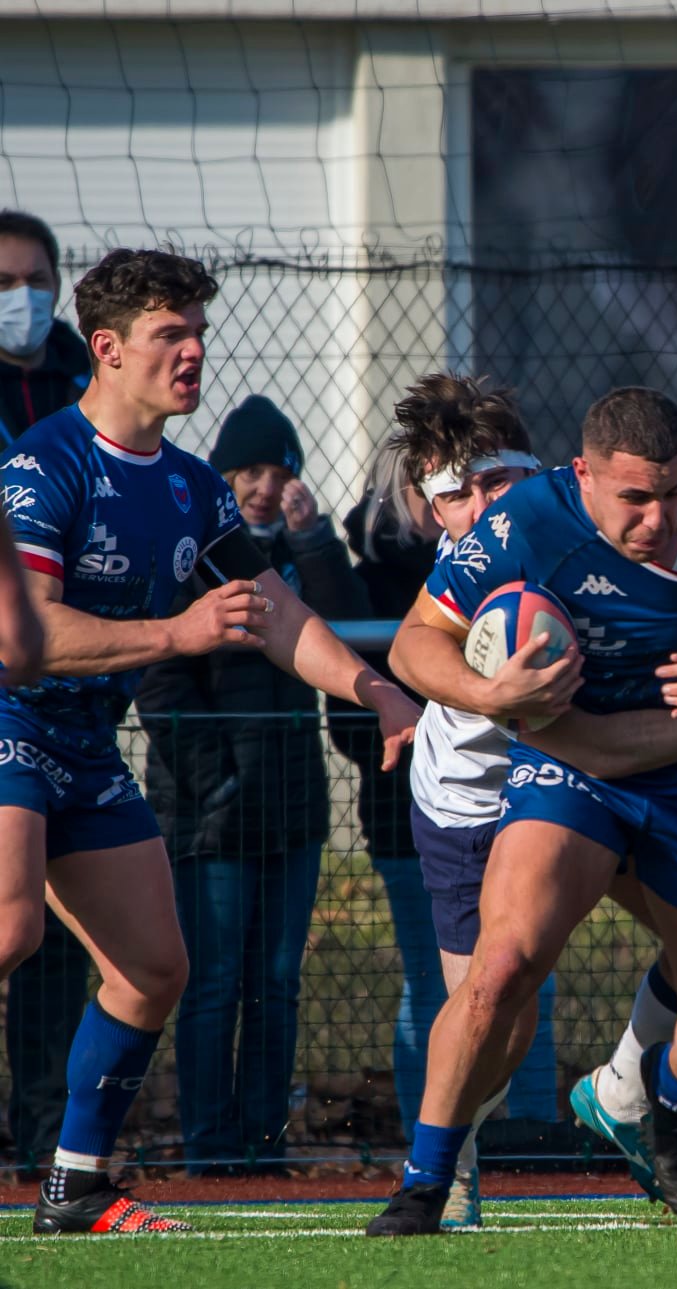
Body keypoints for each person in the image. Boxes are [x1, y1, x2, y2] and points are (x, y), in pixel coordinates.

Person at [4, 248, 421, 1236]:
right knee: (11, 930)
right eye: (169, 335)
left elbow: (273, 610)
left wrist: (376, 689)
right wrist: (176, 633)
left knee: (154, 969)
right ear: (105, 349)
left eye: (198, 333)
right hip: (12, 719)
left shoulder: (193, 487)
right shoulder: (42, 465)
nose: (193, 353)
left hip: (84, 740)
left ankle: (75, 1185)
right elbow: (30, 637)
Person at [364, 386, 677, 1235]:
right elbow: (412, 642)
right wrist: (489, 690)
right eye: (635, 498)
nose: (659, 516)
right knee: (501, 966)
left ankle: (665, 1099)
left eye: (672, 492)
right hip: (574, 762)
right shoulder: (530, 522)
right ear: (584, 475)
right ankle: (425, 1180)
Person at [136, 395, 368, 1175]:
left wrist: (315, 541)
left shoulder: (299, 558)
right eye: (250, 472)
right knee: (214, 983)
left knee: (276, 981)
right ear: (225, 475)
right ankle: (210, 1146)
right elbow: (161, 683)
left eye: (280, 472)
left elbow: (347, 637)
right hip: (214, 815)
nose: (266, 487)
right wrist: (218, 785)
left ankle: (265, 1141)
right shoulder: (191, 551)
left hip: (292, 807)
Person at [357, 375, 565, 1226]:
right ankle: (450, 1167)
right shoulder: (454, 574)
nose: (478, 504)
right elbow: (411, 650)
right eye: (455, 490)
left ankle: (639, 1090)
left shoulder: (576, 534)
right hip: (466, 808)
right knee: (488, 1016)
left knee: (516, 1014)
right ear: (429, 506)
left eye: (495, 481)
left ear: (536, 473)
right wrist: (490, 693)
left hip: (567, 791)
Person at [333, 446, 451, 1149]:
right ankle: (429, 1137)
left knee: (530, 976)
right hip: (403, 818)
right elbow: (349, 723)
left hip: (501, 810)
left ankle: (531, 1134)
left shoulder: (494, 565)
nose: (440, 501)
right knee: (432, 981)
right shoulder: (368, 584)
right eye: (424, 487)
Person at [0, 208, 84, 1174]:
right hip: (18, 691)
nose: (23, 297)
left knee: (128, 955)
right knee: (15, 921)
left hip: (71, 707)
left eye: (36, 278)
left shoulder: (80, 395)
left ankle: (52, 1145)